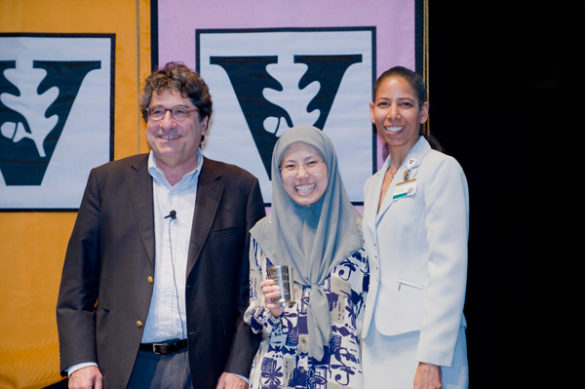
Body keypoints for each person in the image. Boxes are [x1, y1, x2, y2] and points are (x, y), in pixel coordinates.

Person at [56, 62, 265, 389]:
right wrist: (81, 361)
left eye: (180, 111)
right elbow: (76, 286)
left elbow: (251, 294)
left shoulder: (240, 188)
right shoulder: (106, 183)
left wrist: (239, 368)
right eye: (157, 112)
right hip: (122, 369)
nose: (167, 123)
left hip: (209, 372)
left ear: (204, 122)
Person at [361, 66, 469, 389]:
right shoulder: (372, 184)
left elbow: (448, 269)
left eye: (405, 104)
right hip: (376, 344)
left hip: (424, 344)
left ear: (423, 112)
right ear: (372, 111)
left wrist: (432, 357)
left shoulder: (441, 170)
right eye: (384, 104)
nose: (393, 114)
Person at [244, 125, 368, 389]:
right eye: (290, 166)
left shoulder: (359, 236)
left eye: (312, 162)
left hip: (341, 376)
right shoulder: (265, 237)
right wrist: (271, 310)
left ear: (329, 166)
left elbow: (371, 319)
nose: (302, 175)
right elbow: (254, 315)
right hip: (277, 375)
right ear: (278, 174)